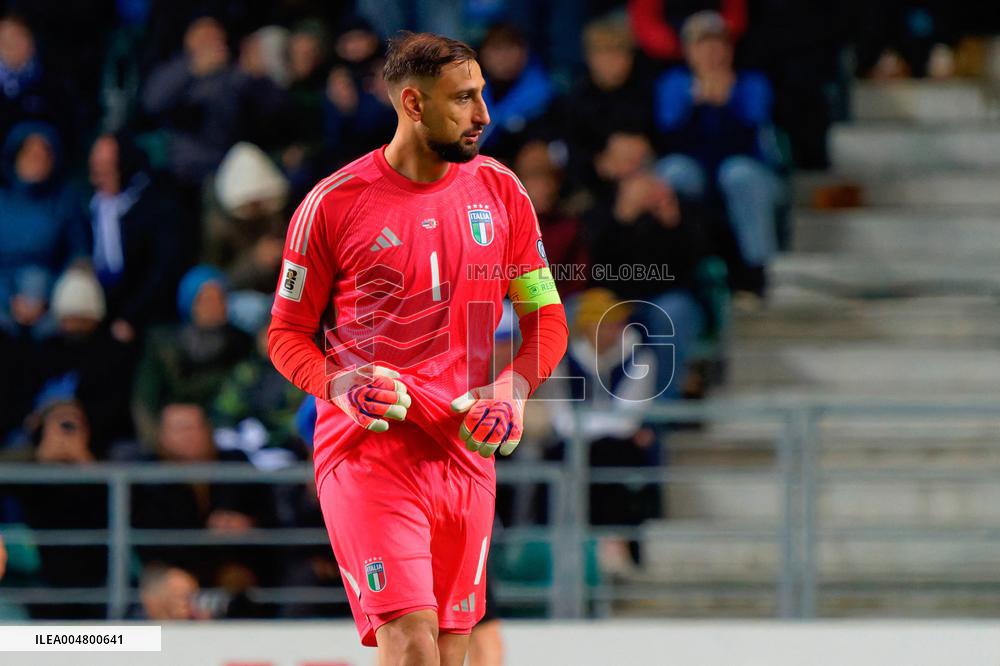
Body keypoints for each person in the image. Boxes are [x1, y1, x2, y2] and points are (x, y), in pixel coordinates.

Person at [267, 32, 568, 664]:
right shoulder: (332, 204)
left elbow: (546, 320)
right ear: (412, 103)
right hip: (368, 449)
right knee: (409, 642)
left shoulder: (503, 193)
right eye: (463, 99)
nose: (483, 114)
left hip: (464, 449)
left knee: (452, 652)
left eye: (481, 94)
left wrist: (512, 389)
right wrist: (339, 386)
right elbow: (286, 334)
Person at [653, 10, 783, 298]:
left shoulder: (752, 84)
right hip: (696, 172)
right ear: (688, 51)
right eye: (702, 44)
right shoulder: (673, 84)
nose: (711, 52)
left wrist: (726, 105)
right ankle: (679, 268)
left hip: (745, 172)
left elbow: (752, 141)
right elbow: (669, 139)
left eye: (718, 43)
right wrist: (696, 105)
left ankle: (757, 272)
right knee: (674, 172)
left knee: (738, 173)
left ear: (729, 49)